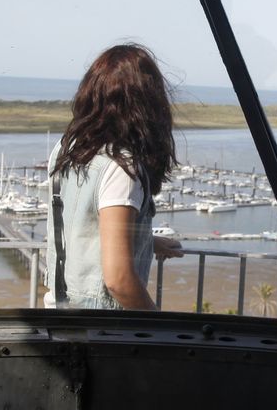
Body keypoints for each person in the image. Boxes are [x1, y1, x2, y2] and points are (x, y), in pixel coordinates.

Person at [46, 44, 184, 309]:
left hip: (59, 308)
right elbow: (118, 280)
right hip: (102, 323)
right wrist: (158, 324)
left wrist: (146, 242)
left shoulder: (67, 149)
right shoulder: (121, 167)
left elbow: (83, 231)